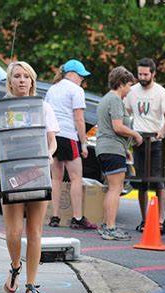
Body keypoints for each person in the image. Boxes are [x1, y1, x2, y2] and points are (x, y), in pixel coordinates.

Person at [0, 61, 59, 293]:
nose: (21, 80)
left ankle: (31, 284)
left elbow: (53, 141)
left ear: (32, 80)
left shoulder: (43, 107)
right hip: (10, 173)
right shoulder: (1, 108)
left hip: (38, 170)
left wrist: (49, 154)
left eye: (25, 76)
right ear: (10, 81)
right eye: (17, 76)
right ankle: (15, 267)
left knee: (35, 232)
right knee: (14, 232)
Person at [46, 59, 97, 230]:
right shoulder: (76, 90)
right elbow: (79, 119)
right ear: (72, 74)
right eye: (81, 76)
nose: (82, 80)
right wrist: (83, 143)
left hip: (53, 136)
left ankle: (54, 216)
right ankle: (77, 217)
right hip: (68, 135)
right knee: (76, 178)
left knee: (56, 178)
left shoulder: (52, 89)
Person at [124, 58, 165, 231]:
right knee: (141, 183)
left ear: (153, 74)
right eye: (140, 74)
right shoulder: (132, 91)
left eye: (146, 74)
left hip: (155, 140)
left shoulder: (161, 92)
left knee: (159, 182)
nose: (142, 77)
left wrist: (162, 130)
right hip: (139, 140)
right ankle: (145, 220)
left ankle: (160, 220)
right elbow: (126, 112)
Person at [95, 66, 143, 240]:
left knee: (111, 189)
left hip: (105, 148)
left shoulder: (105, 99)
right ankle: (110, 228)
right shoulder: (115, 100)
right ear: (121, 83)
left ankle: (106, 226)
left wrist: (126, 150)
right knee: (116, 188)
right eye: (129, 85)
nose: (130, 89)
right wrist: (135, 134)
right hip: (111, 148)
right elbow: (117, 127)